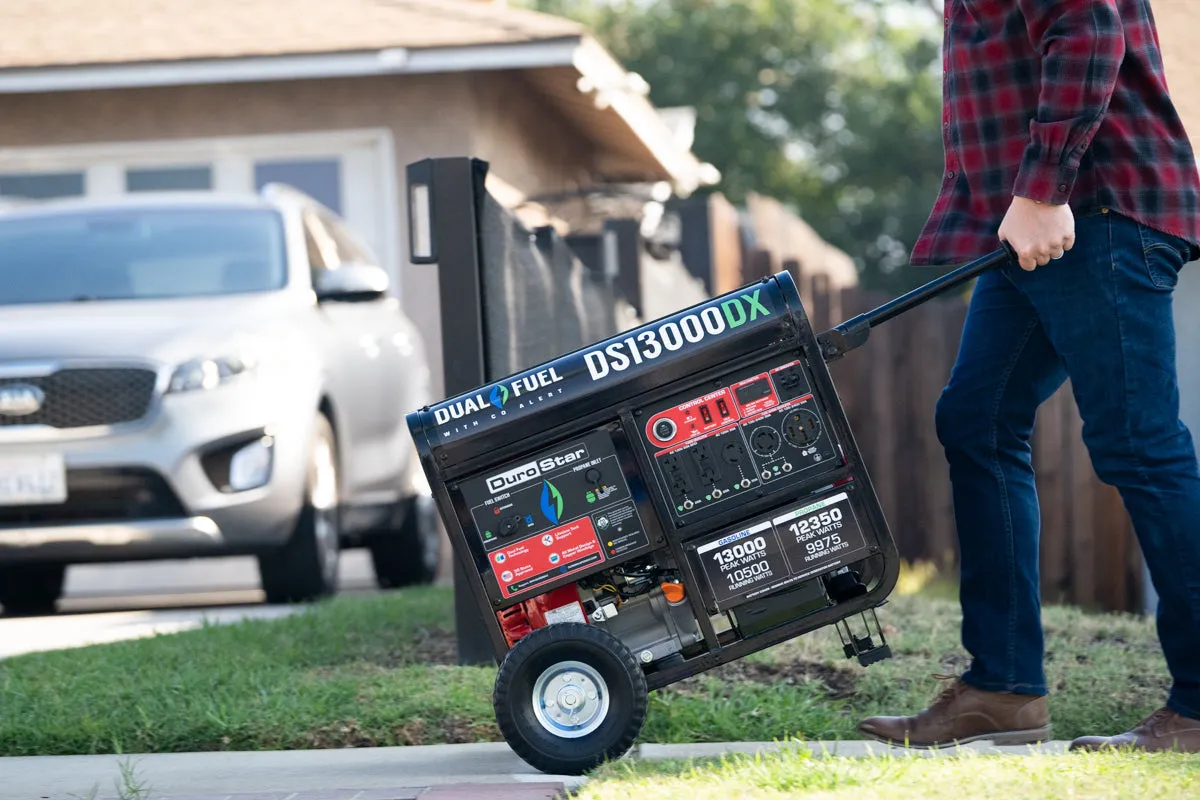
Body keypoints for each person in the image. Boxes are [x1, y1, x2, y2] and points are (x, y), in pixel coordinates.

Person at [857, 0, 1200, 752]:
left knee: (1138, 442)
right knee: (975, 420)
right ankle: (1004, 688)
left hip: (1092, 205)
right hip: (1032, 220)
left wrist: (1044, 188)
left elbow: (1088, 29)